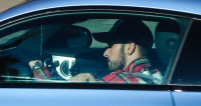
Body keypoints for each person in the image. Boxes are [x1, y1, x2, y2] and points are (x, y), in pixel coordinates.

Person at [30, 18, 161, 84]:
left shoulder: (122, 79)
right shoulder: (157, 76)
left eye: (111, 46)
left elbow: (56, 100)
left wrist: (38, 68)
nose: (106, 53)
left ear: (129, 47)